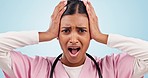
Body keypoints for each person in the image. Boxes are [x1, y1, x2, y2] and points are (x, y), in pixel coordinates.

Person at [0, 0, 148, 78]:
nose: (73, 39)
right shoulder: (34, 69)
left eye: (82, 30)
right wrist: (46, 34)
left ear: (91, 35)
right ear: (57, 35)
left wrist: (102, 37)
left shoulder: (113, 68)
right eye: (66, 30)